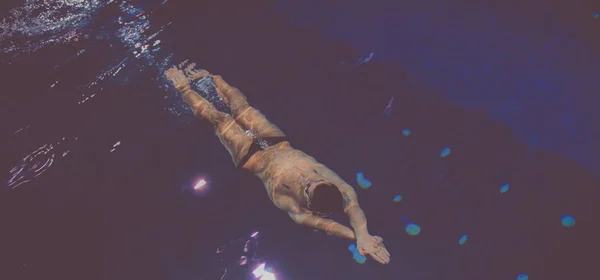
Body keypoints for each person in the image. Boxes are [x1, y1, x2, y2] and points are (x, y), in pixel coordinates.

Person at [165, 61, 390, 264]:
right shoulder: (339, 188)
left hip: (252, 158)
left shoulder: (296, 209)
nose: (308, 178)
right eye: (315, 178)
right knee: (242, 107)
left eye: (307, 186)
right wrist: (363, 234)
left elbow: (329, 227)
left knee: (219, 119)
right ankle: (214, 77)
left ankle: (183, 87)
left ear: (308, 201)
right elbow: (353, 208)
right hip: (277, 142)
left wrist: (356, 241)